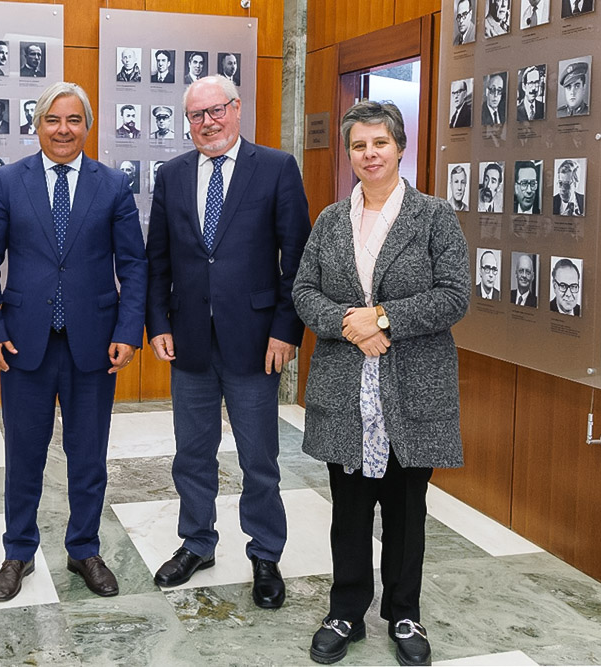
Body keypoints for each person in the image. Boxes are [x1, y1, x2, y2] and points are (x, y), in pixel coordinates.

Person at [292, 100, 469, 667]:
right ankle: (344, 611)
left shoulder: (434, 216)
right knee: (347, 511)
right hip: (347, 389)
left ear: (400, 147)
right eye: (359, 146)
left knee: (406, 510)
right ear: (349, 154)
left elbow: (454, 295)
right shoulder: (329, 220)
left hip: (413, 389)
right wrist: (351, 324)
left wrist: (383, 318)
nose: (370, 155)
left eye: (380, 143)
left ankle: (404, 612)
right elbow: (304, 291)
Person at [0, 81, 147, 603]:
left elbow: (133, 264)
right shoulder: (8, 181)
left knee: (88, 455)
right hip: (23, 343)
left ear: (87, 126)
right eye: (53, 119)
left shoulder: (112, 185)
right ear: (37, 125)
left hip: (94, 343)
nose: (63, 129)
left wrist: (128, 331)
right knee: (23, 454)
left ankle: (84, 548)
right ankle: (18, 552)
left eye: (74, 120)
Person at [145, 75, 311, 609]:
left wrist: (286, 329)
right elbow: (157, 260)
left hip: (256, 341)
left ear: (237, 109)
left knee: (259, 457)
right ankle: (197, 543)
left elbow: (297, 258)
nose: (208, 122)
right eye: (197, 115)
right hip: (189, 340)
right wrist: (158, 323)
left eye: (216, 110)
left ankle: (265, 553)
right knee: (192, 453)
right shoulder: (172, 175)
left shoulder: (276, 168)